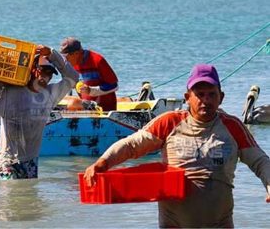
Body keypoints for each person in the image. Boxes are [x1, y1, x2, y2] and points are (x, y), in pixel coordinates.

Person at [84, 64, 270, 228]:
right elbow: (131, 145)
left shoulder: (232, 126)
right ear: (187, 97)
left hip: (220, 224)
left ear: (221, 97)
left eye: (211, 94)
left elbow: (260, 161)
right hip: (174, 224)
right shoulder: (169, 122)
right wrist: (102, 163)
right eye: (199, 94)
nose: (205, 100)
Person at [0, 45, 79, 180]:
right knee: (10, 197)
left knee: (29, 197)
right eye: (43, 71)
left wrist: (52, 54)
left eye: (50, 73)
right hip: (9, 161)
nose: (47, 76)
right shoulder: (11, 92)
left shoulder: (50, 94)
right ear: (33, 70)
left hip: (31, 161)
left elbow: (73, 77)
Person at [60, 37, 118, 111]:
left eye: (67, 58)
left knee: (72, 103)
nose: (65, 61)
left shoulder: (97, 60)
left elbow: (114, 86)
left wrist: (91, 90)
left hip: (104, 109)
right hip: (87, 106)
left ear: (77, 53)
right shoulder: (70, 65)